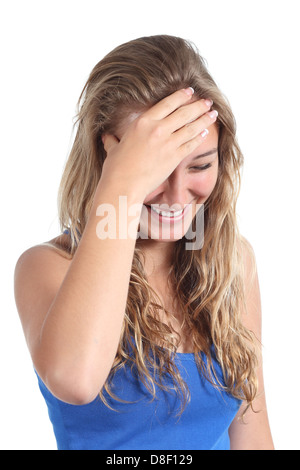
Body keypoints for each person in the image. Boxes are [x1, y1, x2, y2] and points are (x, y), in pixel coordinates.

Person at [14, 35, 274, 450]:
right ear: (106, 159)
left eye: (200, 165)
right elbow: (76, 380)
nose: (175, 196)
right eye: (154, 169)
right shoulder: (48, 266)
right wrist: (120, 187)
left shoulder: (233, 261)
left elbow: (252, 434)